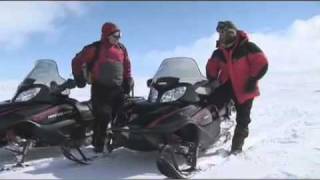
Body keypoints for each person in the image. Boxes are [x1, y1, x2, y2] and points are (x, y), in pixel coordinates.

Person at [206, 21, 268, 155]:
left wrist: (252, 80)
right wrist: (212, 80)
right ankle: (204, 136)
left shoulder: (248, 47)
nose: (221, 35)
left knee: (243, 119)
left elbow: (262, 63)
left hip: (245, 88)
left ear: (232, 32)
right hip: (227, 86)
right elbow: (212, 67)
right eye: (220, 33)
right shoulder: (219, 52)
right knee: (209, 106)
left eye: (224, 32)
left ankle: (236, 149)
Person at [71, 22, 134, 153]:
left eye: (120, 35)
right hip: (100, 88)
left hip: (117, 88)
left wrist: (127, 80)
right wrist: (79, 77)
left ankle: (117, 142)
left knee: (121, 116)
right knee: (103, 117)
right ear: (106, 35)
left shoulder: (121, 48)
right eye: (116, 35)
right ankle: (98, 146)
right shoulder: (95, 48)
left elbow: (126, 65)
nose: (118, 38)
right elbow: (77, 60)